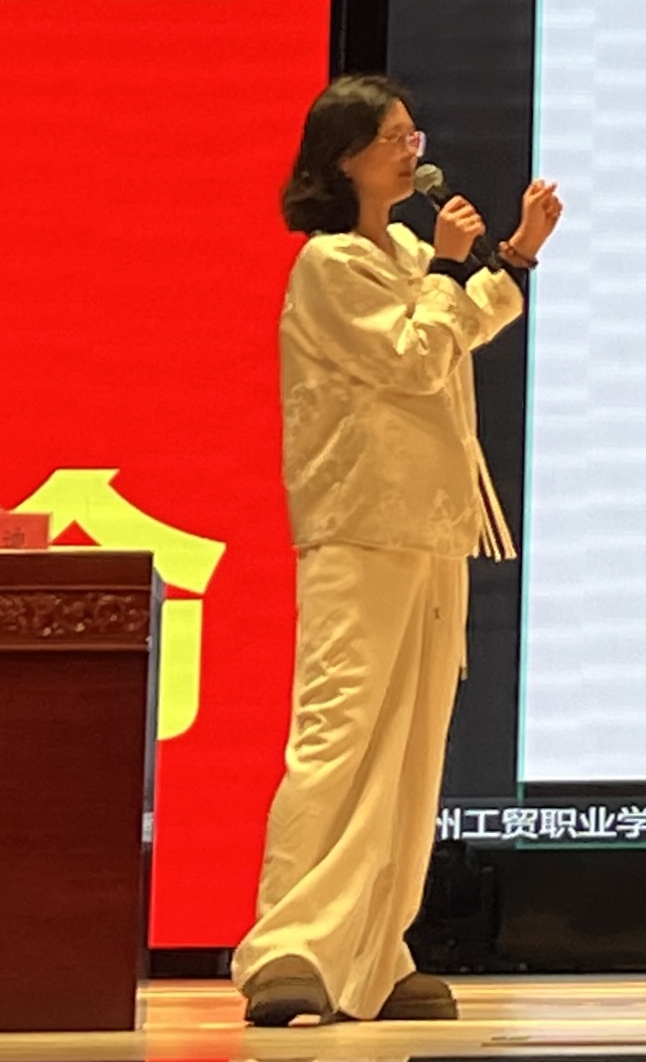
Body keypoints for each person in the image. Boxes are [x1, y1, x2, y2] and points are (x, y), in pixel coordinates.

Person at [236, 74, 561, 1026]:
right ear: (345, 158)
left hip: (430, 523)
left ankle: (373, 953)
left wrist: (515, 255)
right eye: (394, 137)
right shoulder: (329, 263)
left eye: (414, 133)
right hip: (362, 522)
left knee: (415, 744)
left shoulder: (410, 252)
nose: (413, 150)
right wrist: (457, 270)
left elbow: (460, 327)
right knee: (340, 729)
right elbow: (414, 358)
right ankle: (289, 944)